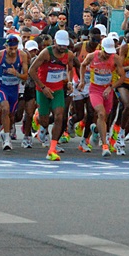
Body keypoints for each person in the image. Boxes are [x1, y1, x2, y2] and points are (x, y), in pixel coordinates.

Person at [28, 29, 80, 161]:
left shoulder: (68, 54)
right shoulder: (46, 53)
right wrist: (43, 87)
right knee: (44, 121)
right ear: (55, 42)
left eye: (65, 45)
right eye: (60, 45)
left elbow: (68, 69)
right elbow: (31, 71)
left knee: (59, 117)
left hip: (57, 90)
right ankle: (38, 118)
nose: (62, 48)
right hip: (43, 89)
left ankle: (52, 148)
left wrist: (68, 82)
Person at [78, 34, 124, 156]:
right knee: (101, 113)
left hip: (107, 90)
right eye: (106, 52)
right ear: (101, 48)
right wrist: (82, 81)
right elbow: (82, 65)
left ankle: (96, 130)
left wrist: (111, 87)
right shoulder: (92, 56)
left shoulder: (116, 59)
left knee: (105, 117)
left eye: (110, 52)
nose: (108, 55)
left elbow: (122, 77)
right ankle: (105, 146)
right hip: (95, 89)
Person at [0, 35, 29, 151]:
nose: (13, 51)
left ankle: (5, 130)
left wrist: (17, 74)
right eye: (11, 49)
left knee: (11, 114)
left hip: (14, 88)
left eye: (15, 48)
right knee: (5, 108)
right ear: (6, 47)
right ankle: (7, 138)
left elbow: (25, 76)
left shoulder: (22, 56)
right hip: (1, 86)